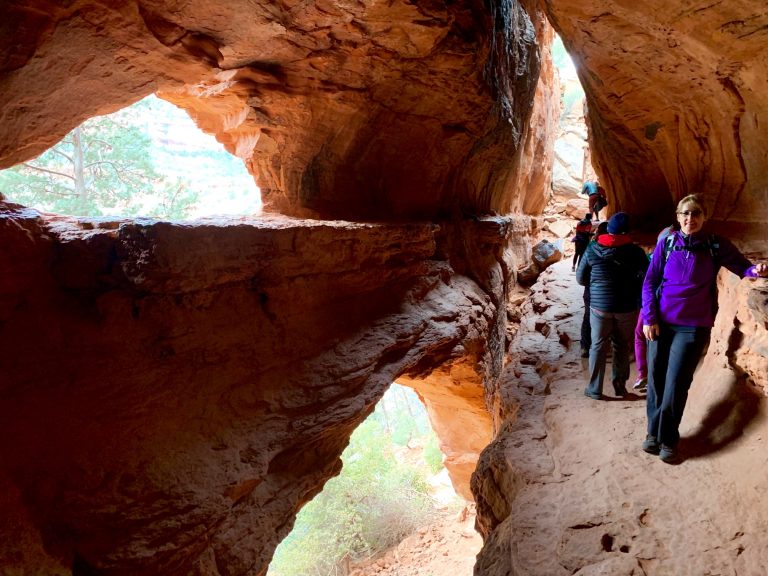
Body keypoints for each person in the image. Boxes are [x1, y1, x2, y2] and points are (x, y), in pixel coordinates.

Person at [641, 194, 768, 463]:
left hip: (692, 327)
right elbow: (650, 282)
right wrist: (650, 317)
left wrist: (757, 270)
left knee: (676, 384)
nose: (690, 219)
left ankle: (668, 438)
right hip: (661, 323)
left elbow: (742, 266)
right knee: (657, 380)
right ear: (678, 217)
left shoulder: (714, 245)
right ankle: (653, 432)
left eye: (696, 214)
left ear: (704, 217)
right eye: (686, 214)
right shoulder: (667, 243)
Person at [577, 213, 649, 399]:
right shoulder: (636, 253)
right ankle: (619, 387)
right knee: (622, 346)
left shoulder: (593, 248)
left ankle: (594, 389)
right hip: (627, 308)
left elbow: (580, 277)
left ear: (609, 229)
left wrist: (595, 285)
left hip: (600, 306)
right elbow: (647, 278)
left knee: (598, 346)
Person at [579, 221, 608, 358]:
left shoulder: (591, 248)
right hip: (614, 294)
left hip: (592, 291)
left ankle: (585, 346)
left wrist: (590, 283)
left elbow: (580, 276)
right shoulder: (626, 250)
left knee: (588, 317)